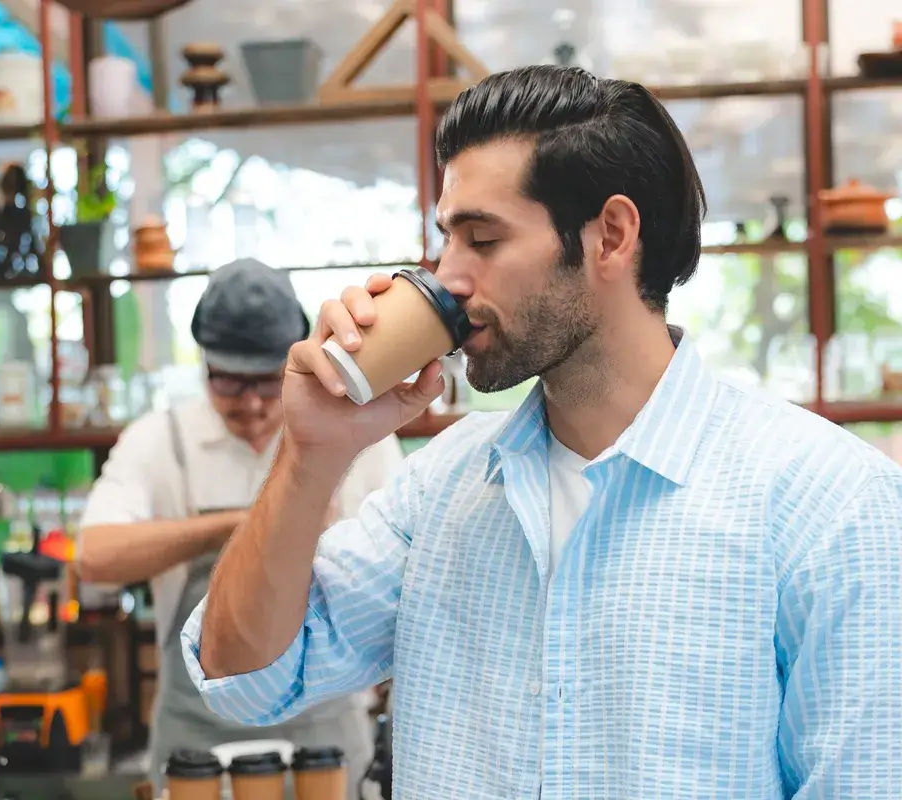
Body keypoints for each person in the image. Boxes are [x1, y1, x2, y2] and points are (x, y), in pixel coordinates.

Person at [179, 65, 902, 798]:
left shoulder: (831, 503)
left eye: (481, 240)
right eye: (445, 240)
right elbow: (243, 680)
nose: (445, 277)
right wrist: (312, 454)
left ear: (610, 237)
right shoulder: (440, 489)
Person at [78, 258, 403, 794]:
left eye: (265, 381)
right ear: (203, 364)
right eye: (229, 382)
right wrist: (246, 526)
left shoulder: (352, 432)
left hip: (326, 735)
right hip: (195, 739)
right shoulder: (161, 441)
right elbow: (95, 557)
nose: (250, 404)